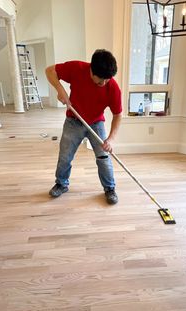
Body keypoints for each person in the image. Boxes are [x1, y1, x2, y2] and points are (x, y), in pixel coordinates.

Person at [45, 49, 122, 204]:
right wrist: (61, 91)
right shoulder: (77, 68)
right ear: (91, 70)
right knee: (65, 156)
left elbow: (117, 115)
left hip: (96, 123)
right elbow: (49, 71)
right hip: (73, 121)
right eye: (100, 80)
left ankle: (109, 188)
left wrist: (110, 139)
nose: (104, 83)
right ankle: (61, 184)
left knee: (103, 157)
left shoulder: (112, 87)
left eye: (107, 79)